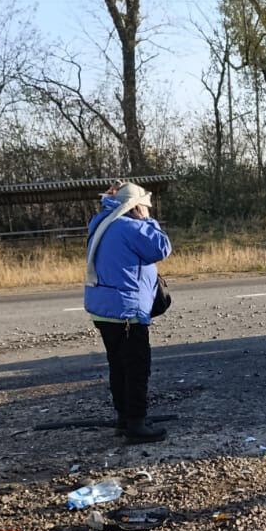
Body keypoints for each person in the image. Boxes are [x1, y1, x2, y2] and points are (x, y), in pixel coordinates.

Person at [82, 181, 172, 440]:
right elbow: (161, 248)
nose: (147, 210)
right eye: (144, 206)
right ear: (134, 207)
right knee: (136, 368)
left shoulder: (101, 222)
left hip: (104, 309)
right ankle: (137, 424)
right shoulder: (131, 227)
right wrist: (149, 221)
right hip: (127, 311)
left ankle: (124, 417)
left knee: (118, 366)